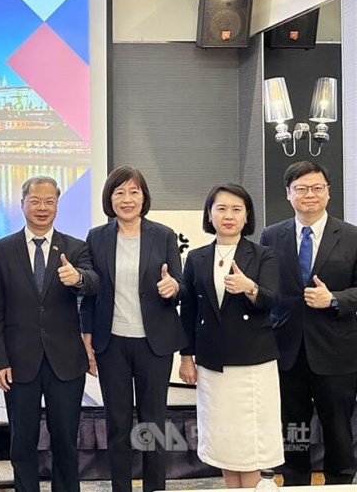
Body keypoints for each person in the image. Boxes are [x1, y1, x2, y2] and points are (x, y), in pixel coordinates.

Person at [0, 175, 98, 492]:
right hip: (19, 362)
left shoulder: (76, 248)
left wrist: (77, 278)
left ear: (58, 206)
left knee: (65, 441)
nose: (42, 207)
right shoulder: (2, 249)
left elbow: (94, 283)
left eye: (49, 201)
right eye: (35, 201)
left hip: (65, 361)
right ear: (22, 204)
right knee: (22, 443)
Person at [80, 166, 186, 492]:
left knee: (153, 424)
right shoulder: (97, 237)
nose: (127, 199)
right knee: (118, 422)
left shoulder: (164, 235)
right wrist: (87, 341)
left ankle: (155, 487)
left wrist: (173, 288)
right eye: (119, 192)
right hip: (111, 343)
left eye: (134, 192)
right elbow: (90, 294)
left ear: (144, 197)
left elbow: (178, 283)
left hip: (153, 344)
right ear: (109, 198)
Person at [179, 183, 283, 488]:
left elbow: (273, 300)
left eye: (237, 209)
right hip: (213, 363)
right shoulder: (196, 258)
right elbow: (188, 312)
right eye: (221, 208)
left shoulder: (264, 255)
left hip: (253, 363)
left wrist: (250, 288)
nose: (228, 215)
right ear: (209, 214)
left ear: (246, 215)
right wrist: (186, 357)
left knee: (248, 443)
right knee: (224, 442)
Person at [259, 161, 357, 486]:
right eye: (301, 189)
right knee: (292, 430)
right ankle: (295, 482)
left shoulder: (352, 236)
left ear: (328, 192)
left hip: (336, 351)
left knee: (338, 429)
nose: (309, 195)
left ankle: (341, 483)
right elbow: (266, 290)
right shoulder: (271, 235)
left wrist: (334, 299)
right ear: (288, 194)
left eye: (317, 188)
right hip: (286, 351)